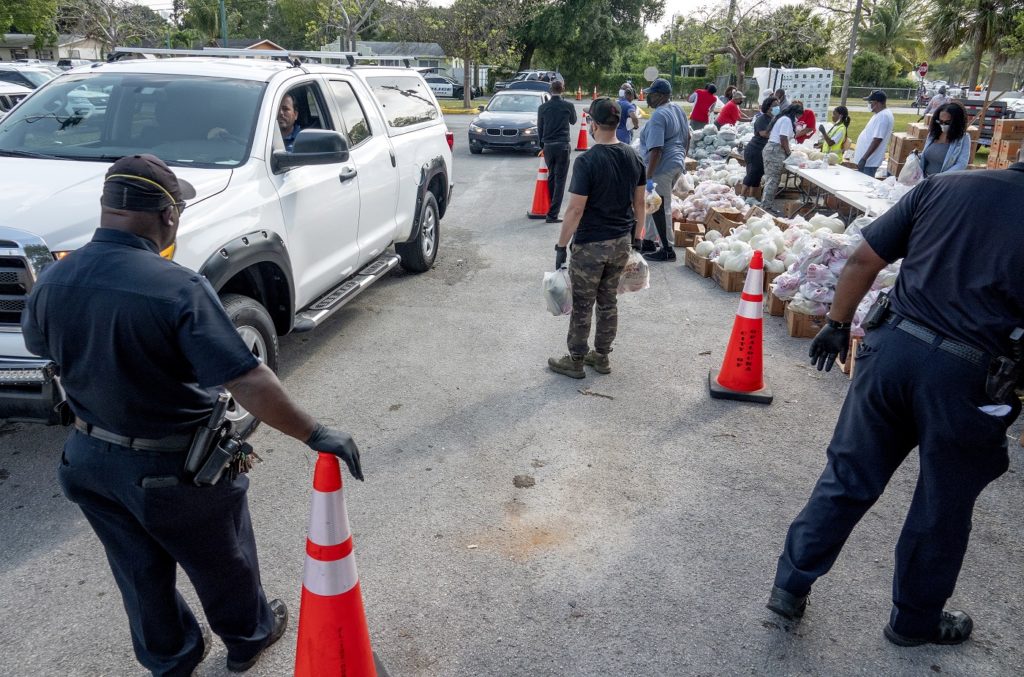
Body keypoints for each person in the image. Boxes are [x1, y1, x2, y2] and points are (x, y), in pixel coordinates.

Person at [21, 154, 365, 676]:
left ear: (107, 208)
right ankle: (248, 638)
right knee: (222, 560)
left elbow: (42, 346)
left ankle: (171, 657)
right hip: (173, 469)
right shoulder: (176, 287)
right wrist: (315, 432)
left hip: (88, 462)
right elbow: (246, 377)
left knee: (136, 569)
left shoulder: (53, 280)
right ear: (167, 215)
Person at [767, 145, 1024, 648]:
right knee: (941, 503)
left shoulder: (950, 185)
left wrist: (837, 325)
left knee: (848, 476)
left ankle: (789, 586)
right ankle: (913, 622)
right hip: (968, 378)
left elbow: (865, 257)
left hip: (891, 350)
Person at [548, 98, 646, 379]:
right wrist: (637, 239)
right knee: (608, 301)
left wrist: (561, 245)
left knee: (582, 304)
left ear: (593, 124)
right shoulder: (633, 156)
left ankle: (576, 360)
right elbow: (640, 204)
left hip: (591, 245)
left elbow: (575, 209)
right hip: (621, 242)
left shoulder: (587, 161)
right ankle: (601, 357)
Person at [638, 77, 691, 262]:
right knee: (653, 203)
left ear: (660, 96)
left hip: (661, 167)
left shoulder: (659, 115)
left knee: (661, 208)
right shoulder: (677, 109)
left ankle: (667, 249)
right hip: (675, 163)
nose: (648, 98)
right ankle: (649, 241)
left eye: (651, 94)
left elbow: (656, 149)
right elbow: (688, 137)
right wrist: (682, 159)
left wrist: (649, 175)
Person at [537, 79, 578, 223]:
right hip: (562, 145)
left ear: (550, 89)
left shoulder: (543, 108)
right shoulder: (568, 105)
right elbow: (573, 121)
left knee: (552, 177)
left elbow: (540, 128)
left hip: (548, 145)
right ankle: (553, 214)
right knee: (560, 179)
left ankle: (550, 207)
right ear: (563, 89)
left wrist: (541, 145)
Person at [759, 102, 802, 213]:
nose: (798, 119)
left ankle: (765, 204)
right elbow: (783, 138)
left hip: (772, 149)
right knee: (773, 180)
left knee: (770, 179)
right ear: (795, 113)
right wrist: (788, 152)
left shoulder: (782, 118)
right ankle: (766, 207)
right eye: (798, 116)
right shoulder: (787, 120)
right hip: (776, 150)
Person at [920, 102, 972, 176]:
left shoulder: (963, 138)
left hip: (945, 182)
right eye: (940, 122)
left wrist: (940, 177)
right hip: (925, 179)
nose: (943, 125)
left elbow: (961, 164)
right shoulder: (932, 135)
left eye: (947, 122)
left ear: (956, 122)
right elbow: (926, 156)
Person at [739, 96, 776, 198]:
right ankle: (742, 196)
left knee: (758, 174)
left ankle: (751, 198)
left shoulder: (773, 119)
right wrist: (777, 135)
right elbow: (764, 133)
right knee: (752, 173)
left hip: (763, 150)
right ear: (768, 107)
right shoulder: (762, 119)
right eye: (775, 105)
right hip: (755, 150)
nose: (778, 107)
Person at [853, 90, 894, 177]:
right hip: (867, 162)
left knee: (863, 187)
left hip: (869, 163)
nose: (869, 104)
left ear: (877, 103)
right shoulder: (879, 114)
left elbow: (877, 139)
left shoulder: (883, 116)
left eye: (870, 102)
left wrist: (864, 158)